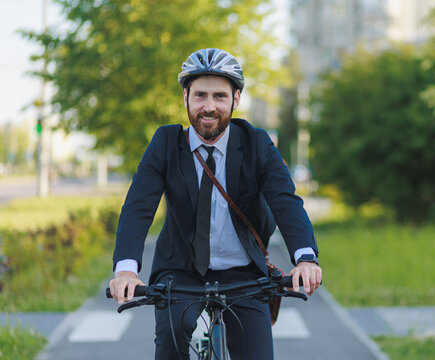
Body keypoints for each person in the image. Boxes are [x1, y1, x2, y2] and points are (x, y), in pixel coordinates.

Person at [109, 48, 322, 360]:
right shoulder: (166, 143)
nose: (209, 107)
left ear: (236, 99)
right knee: (170, 344)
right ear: (186, 98)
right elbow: (138, 207)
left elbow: (285, 200)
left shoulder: (256, 143)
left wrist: (305, 258)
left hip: (245, 273)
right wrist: (126, 270)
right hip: (179, 270)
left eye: (220, 96)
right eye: (200, 96)